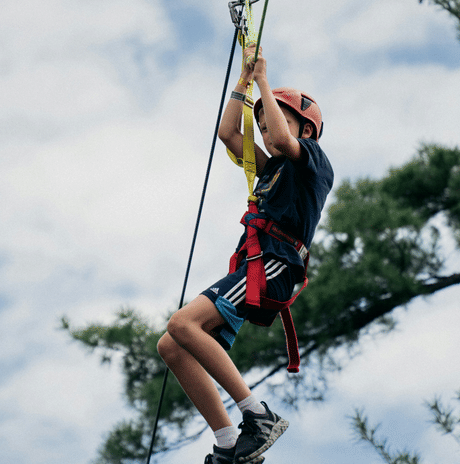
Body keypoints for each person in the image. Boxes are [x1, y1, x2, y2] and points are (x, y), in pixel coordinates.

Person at [156, 43, 334, 464]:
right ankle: (227, 444)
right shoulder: (270, 167)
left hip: (277, 264)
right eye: (266, 127)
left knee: (183, 323)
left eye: (277, 124)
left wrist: (265, 84)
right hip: (258, 264)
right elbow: (228, 134)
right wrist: (244, 83)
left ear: (303, 129)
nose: (268, 135)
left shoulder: (312, 161)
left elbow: (285, 141)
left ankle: (258, 415)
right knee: (172, 345)